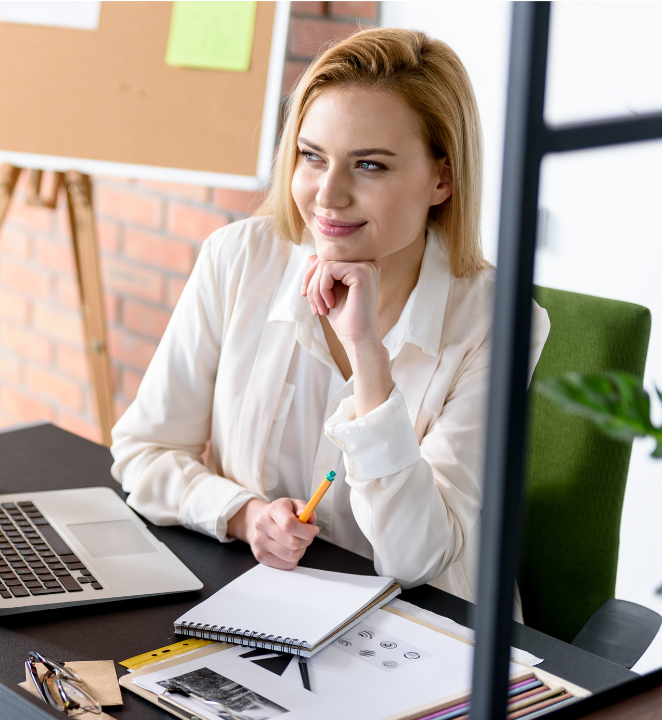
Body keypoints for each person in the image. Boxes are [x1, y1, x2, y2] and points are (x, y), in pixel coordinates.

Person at [109, 28, 550, 610]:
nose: (327, 195)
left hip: (426, 631)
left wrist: (370, 360)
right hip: (270, 602)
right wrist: (244, 515)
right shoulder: (239, 259)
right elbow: (144, 452)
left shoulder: (498, 321)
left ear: (442, 179)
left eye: (369, 165)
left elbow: (418, 558)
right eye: (312, 157)